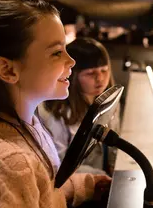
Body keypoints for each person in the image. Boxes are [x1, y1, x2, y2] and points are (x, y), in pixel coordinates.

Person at [0, 0, 111, 208]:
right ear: (8, 70)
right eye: (56, 52)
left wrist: (85, 185)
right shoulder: (9, 163)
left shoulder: (29, 124)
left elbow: (44, 189)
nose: (71, 61)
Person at [39, 37, 120, 175]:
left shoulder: (108, 102)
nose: (100, 79)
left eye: (104, 70)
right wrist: (101, 177)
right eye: (90, 73)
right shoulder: (56, 113)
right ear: (73, 76)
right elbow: (59, 165)